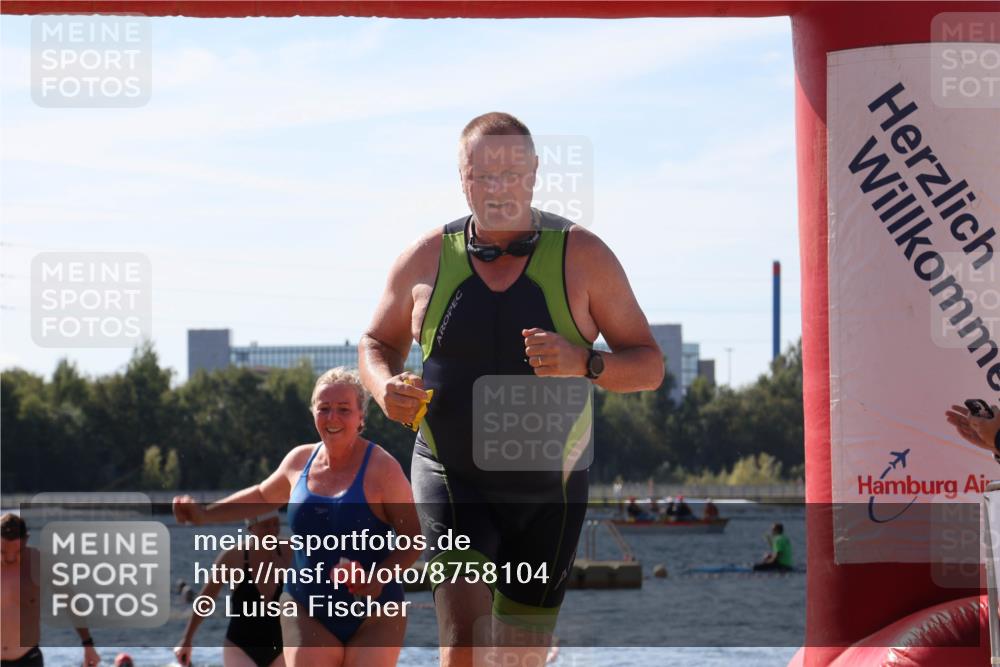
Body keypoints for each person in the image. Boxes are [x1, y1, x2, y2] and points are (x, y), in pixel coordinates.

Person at [358, 112, 664, 667]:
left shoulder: (584, 256)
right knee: (465, 646)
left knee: (519, 659)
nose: (497, 187)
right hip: (451, 477)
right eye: (483, 175)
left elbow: (649, 366)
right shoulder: (426, 257)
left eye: (511, 172)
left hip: (550, 494)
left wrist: (584, 363)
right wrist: (383, 388)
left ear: (534, 173)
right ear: (462, 177)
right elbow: (376, 342)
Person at [173, 368, 423, 667]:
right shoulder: (298, 461)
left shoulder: (383, 470)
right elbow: (262, 497)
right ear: (313, 412)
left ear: (361, 417)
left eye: (344, 409)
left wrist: (379, 576)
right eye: (324, 408)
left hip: (376, 612)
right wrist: (204, 514)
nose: (332, 417)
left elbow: (414, 540)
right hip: (306, 606)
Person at [173, 512, 289, 667]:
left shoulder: (291, 552)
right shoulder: (233, 557)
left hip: (283, 646)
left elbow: (312, 594)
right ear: (251, 527)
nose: (273, 530)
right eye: (266, 525)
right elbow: (206, 599)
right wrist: (187, 640)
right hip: (240, 647)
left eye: (276, 524)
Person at [1, 513, 102, 667]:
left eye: (17, 552)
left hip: (27, 659)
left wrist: (88, 644)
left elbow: (70, 601)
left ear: (26, 540)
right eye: (2, 552)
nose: (10, 558)